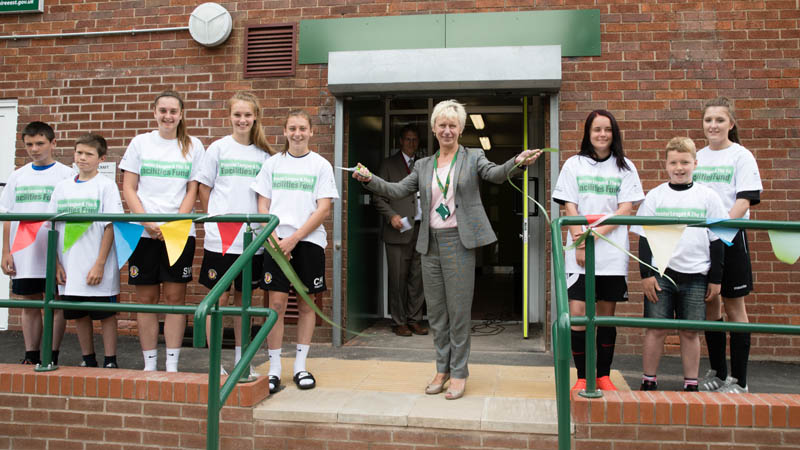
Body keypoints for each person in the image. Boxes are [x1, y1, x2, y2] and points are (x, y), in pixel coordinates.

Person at [353, 99, 542, 400]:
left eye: (452, 125)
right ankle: (441, 368)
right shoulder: (424, 165)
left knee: (458, 312)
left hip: (459, 242)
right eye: (442, 125)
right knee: (437, 313)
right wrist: (370, 179)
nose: (447, 130)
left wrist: (516, 162)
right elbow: (398, 190)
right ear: (434, 128)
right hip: (429, 244)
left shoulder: (472, 157)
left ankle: (459, 372)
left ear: (461, 128)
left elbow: (494, 174)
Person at [552, 109, 644, 392]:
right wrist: (580, 241)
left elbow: (626, 209)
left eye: (607, 129)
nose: (602, 134)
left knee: (605, 317)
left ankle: (603, 375)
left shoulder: (625, 167)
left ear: (614, 133)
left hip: (611, 253)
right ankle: (582, 375)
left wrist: (591, 238)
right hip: (578, 252)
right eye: (596, 129)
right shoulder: (574, 164)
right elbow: (569, 205)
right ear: (588, 134)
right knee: (578, 317)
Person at [251, 109, 339, 393]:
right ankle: (275, 368)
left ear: (311, 131)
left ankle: (300, 366)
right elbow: (262, 205)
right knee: (275, 305)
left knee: (306, 304)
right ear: (285, 131)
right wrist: (275, 238)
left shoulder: (321, 165)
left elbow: (324, 207)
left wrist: (295, 239)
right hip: (275, 241)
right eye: (292, 128)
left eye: (302, 128)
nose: (297, 133)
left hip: (309, 242)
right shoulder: (272, 164)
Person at [632, 137, 727, 391]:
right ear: (666, 164)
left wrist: (716, 279)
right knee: (656, 329)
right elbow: (643, 236)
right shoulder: (655, 196)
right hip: (661, 274)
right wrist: (646, 274)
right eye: (674, 162)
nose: (679, 167)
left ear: (695, 163)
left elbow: (718, 241)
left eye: (685, 162)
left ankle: (690, 384)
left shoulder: (708, 196)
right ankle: (648, 380)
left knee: (690, 331)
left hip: (696, 275)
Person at [120, 90, 204, 372]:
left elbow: (193, 188)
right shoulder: (140, 143)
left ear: (182, 114)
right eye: (163, 110)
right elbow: (129, 187)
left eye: (173, 111)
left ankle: (172, 365)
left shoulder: (193, 145)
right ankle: (149, 364)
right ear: (154, 112)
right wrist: (146, 222)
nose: (168, 116)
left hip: (179, 233)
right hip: (143, 233)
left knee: (174, 298)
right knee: (145, 299)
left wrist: (175, 225)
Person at [194, 92, 274, 376]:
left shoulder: (264, 155)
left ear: (255, 118)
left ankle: (244, 362)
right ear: (230, 117)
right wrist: (214, 221)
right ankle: (215, 362)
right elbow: (204, 187)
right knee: (218, 300)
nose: (242, 120)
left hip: (252, 240)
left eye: (247, 115)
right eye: (237, 114)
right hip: (221, 239)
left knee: (244, 302)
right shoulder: (217, 149)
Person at [694, 97, 762, 393]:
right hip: (703, 242)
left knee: (735, 307)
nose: (713, 125)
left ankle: (740, 380)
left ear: (730, 124)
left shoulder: (742, 156)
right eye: (708, 120)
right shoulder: (697, 156)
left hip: (730, 239)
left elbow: (744, 199)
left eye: (720, 120)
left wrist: (720, 230)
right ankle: (719, 372)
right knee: (711, 304)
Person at [0, 121, 74, 366]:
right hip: (24, 251)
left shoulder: (67, 175)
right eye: (29, 144)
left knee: (55, 303)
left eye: (40, 143)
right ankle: (31, 355)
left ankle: (50, 355)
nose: (35, 149)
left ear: (53, 143)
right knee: (29, 303)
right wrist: (6, 251)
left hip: (56, 251)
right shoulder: (17, 176)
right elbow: (8, 216)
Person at [50, 134, 123, 368]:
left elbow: (111, 226)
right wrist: (57, 264)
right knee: (78, 313)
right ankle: (87, 358)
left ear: (101, 158)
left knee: (105, 314)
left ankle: (110, 360)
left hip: (97, 262)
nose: (82, 158)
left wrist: (100, 263)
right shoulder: (61, 188)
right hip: (69, 263)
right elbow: (51, 227)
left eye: (89, 154)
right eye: (79, 152)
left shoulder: (106, 186)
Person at [373, 125, 427, 337]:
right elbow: (378, 197)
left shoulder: (424, 165)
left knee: (418, 279)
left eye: (415, 140)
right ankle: (399, 321)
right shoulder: (388, 165)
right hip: (397, 231)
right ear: (400, 141)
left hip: (421, 229)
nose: (411, 143)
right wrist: (391, 216)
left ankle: (415, 319)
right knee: (398, 280)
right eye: (408, 139)